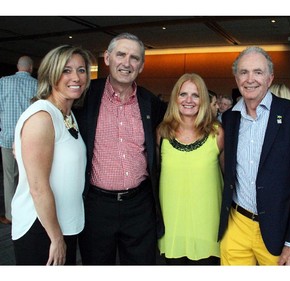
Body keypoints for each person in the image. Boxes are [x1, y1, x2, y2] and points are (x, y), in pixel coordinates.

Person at [218, 46, 290, 266]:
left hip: (278, 230)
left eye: (258, 72)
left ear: (270, 78)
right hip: (236, 224)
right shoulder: (229, 119)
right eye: (243, 72)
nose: (250, 79)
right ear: (236, 78)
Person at [75, 32, 167, 265]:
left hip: (140, 206)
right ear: (107, 58)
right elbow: (55, 108)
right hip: (96, 205)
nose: (127, 63)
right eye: (121, 55)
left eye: (134, 58)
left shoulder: (150, 103)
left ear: (142, 65)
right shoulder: (85, 96)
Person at [11, 45, 91, 265]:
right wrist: (56, 238)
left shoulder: (67, 113)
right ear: (51, 74)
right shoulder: (42, 117)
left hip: (64, 224)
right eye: (66, 70)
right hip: (42, 228)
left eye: (82, 70)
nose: (76, 77)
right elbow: (38, 188)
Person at [157, 73, 224, 265]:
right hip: (172, 232)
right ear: (175, 98)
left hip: (207, 233)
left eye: (195, 95)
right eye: (183, 94)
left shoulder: (217, 133)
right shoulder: (161, 133)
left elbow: (230, 180)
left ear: (203, 100)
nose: (189, 100)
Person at [0, 56, 37, 225]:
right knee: (29, 175)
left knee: (9, 177)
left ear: (17, 66)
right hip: (28, 137)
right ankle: (29, 213)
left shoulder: (3, 82)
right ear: (30, 68)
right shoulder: (36, 84)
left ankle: (10, 215)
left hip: (7, 136)